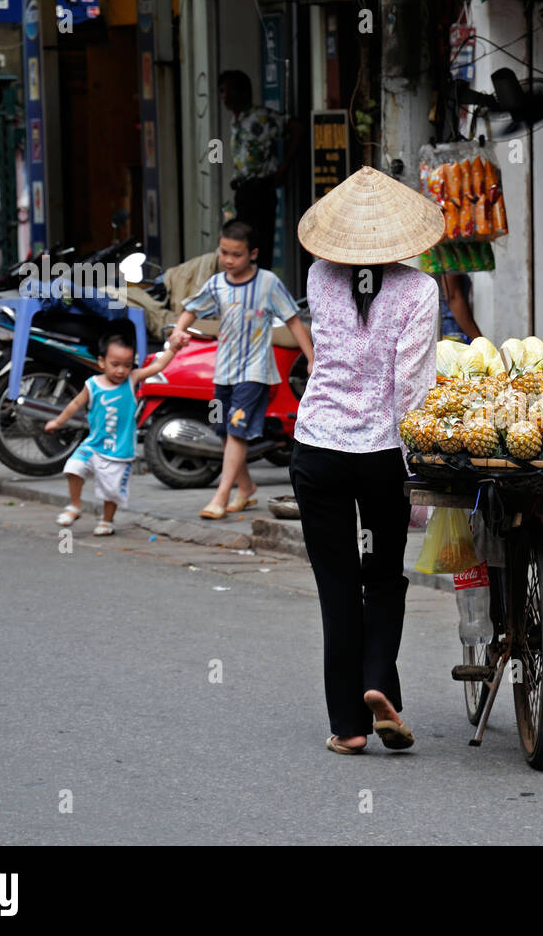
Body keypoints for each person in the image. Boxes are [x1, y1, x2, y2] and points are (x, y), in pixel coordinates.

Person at [290, 166, 444, 755]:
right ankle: (378, 682)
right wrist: (419, 456)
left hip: (319, 450)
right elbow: (412, 386)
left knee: (337, 587)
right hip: (380, 457)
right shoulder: (420, 289)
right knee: (381, 575)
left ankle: (350, 727)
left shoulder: (319, 276)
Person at [169, 219, 315, 520]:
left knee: (236, 431)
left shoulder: (267, 283)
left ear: (253, 254)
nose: (229, 260)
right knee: (225, 431)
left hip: (255, 371)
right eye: (224, 253)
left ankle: (221, 496)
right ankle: (245, 488)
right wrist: (177, 331)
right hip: (224, 371)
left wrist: (311, 357)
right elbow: (192, 308)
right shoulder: (216, 284)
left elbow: (292, 319)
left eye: (236, 254)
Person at [46, 332, 181, 536]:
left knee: (111, 491)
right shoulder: (92, 385)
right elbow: (75, 403)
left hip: (120, 450)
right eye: (115, 364)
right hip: (94, 445)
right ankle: (75, 505)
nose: (121, 370)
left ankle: (107, 521)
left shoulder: (132, 380)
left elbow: (158, 367)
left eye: (127, 365)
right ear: (102, 362)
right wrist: (58, 421)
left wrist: (173, 348)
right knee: (73, 468)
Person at [218, 70, 300, 271]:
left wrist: (283, 168)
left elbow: (297, 129)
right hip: (243, 191)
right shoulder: (235, 121)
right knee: (242, 246)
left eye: (230, 91)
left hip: (260, 191)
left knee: (259, 247)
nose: (225, 97)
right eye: (221, 92)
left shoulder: (260, 117)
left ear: (244, 92)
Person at [438, 272, 481, 342]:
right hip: (452, 329)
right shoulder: (448, 263)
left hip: (454, 326)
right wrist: (479, 340)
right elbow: (453, 298)